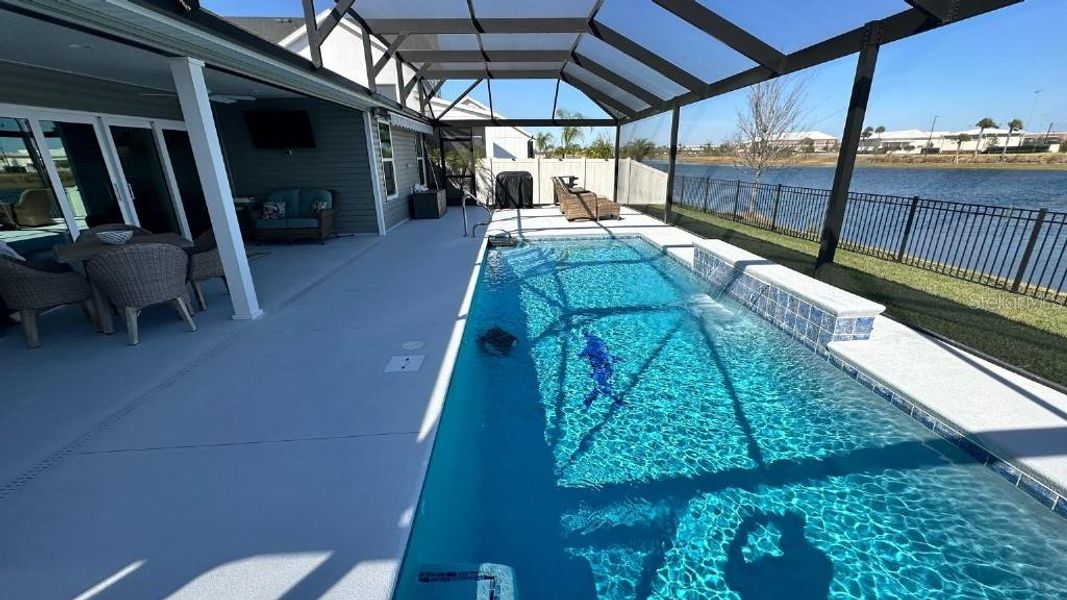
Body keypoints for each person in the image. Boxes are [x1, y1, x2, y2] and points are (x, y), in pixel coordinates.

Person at [724, 511, 833, 599]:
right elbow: (802, 547)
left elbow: (734, 574)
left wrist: (742, 533)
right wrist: (785, 524)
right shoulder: (820, 566)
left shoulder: (763, 576)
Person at [579, 330, 620, 407]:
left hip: (599, 368)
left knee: (602, 386)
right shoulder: (600, 342)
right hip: (608, 365)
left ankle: (615, 399)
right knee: (604, 384)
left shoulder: (588, 348)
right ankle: (615, 399)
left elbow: (580, 355)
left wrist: (579, 355)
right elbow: (607, 354)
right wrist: (616, 358)